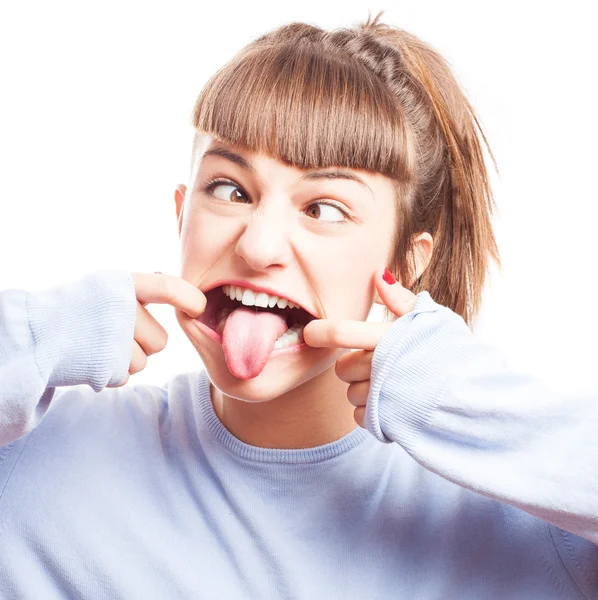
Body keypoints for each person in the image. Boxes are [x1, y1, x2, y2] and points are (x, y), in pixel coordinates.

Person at [0, 10, 596, 599]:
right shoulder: (44, 463)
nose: (257, 246)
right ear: (183, 214)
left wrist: (463, 400)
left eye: (323, 210)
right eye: (230, 191)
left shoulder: (523, 518)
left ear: (407, 263)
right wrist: (28, 340)